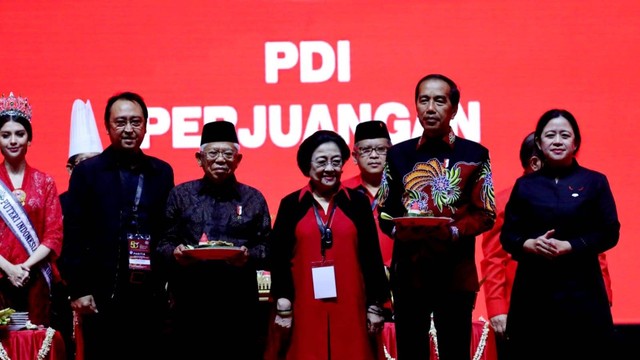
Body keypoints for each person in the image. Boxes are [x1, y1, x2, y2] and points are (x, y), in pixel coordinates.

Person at [377, 74, 496, 360]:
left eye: (439, 101)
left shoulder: (476, 155)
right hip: (409, 275)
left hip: (455, 275)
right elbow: (384, 211)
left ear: (454, 109)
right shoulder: (397, 155)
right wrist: (401, 230)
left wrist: (454, 231)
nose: (430, 108)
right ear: (416, 106)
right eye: (423, 100)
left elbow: (486, 214)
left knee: (455, 353)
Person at [59, 91, 175, 360]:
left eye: (135, 122)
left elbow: (168, 230)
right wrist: (79, 289)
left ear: (145, 126)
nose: (128, 129)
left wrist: (170, 286)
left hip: (150, 294)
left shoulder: (161, 171)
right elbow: (74, 232)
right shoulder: (88, 172)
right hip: (100, 295)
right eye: (120, 122)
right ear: (108, 127)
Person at [481, 131, 614, 359]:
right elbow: (494, 259)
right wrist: (498, 309)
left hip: (578, 303)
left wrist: (605, 297)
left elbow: (595, 251)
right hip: (527, 308)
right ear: (535, 163)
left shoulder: (581, 195)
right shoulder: (505, 202)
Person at [269, 129, 390, 360]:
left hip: (351, 304)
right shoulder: (291, 204)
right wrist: (283, 300)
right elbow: (279, 257)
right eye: (322, 161)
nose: (330, 168)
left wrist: (375, 306)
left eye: (336, 162)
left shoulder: (357, 203)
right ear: (307, 165)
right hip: (304, 304)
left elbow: (371, 257)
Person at [156, 121, 272, 360]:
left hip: (240, 306)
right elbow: (162, 243)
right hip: (190, 305)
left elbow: (268, 247)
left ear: (238, 159)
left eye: (228, 153)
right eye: (213, 153)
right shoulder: (180, 195)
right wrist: (175, 253)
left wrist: (248, 256)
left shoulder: (253, 198)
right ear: (199, 158)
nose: (221, 159)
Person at [0, 92, 63, 327]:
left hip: (35, 277)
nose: (13, 141)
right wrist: (8, 268)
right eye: (6, 135)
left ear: (30, 139)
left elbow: (54, 234)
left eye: (20, 134)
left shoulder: (45, 182)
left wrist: (25, 267)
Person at [53, 99, 104, 360]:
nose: (90, 171)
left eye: (96, 164)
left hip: (104, 298)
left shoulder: (112, 204)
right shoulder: (58, 203)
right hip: (63, 297)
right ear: (70, 168)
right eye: (83, 164)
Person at [342, 120, 394, 267]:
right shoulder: (342, 192)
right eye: (366, 150)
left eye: (381, 149)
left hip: (401, 274)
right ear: (354, 156)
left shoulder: (404, 190)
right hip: (356, 275)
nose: (373, 155)